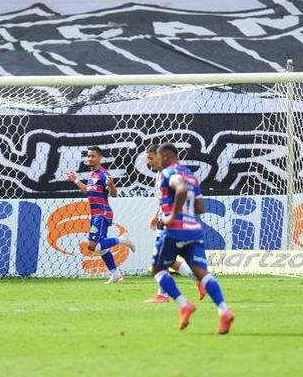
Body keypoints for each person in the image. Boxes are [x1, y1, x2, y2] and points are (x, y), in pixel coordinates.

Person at [152, 143, 234, 334]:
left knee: (157, 269)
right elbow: (200, 208)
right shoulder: (192, 176)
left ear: (165, 156)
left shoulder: (168, 173)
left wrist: (171, 216)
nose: (156, 161)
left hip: (174, 230)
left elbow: (179, 189)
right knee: (202, 273)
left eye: (157, 157)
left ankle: (184, 304)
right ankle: (224, 311)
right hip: (194, 230)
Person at [142, 143, 206, 305]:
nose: (149, 162)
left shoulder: (169, 173)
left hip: (174, 223)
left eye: (151, 158)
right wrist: (157, 215)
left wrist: (169, 216)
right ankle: (199, 280)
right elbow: (164, 200)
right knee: (167, 261)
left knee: (160, 261)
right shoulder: (161, 174)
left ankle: (164, 295)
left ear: (160, 156)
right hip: (166, 220)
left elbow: (181, 193)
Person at [65, 146, 135, 284]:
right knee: (101, 248)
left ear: (100, 158)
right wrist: (76, 180)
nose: (90, 158)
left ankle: (122, 239)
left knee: (92, 246)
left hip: (102, 213)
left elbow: (114, 193)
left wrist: (112, 185)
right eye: (88, 156)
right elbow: (87, 191)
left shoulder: (104, 174)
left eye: (93, 156)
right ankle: (116, 274)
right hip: (95, 214)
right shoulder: (92, 175)